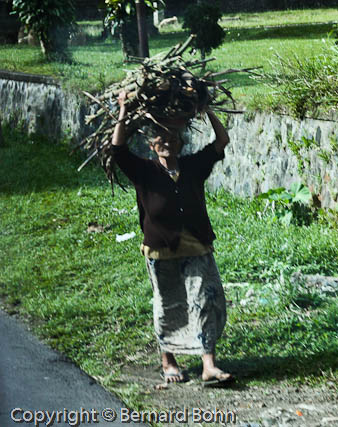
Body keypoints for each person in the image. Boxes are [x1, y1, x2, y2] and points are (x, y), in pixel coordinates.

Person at [111, 90, 232, 385]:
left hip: (196, 245)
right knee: (169, 304)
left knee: (205, 299)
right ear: (153, 146)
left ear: (180, 144)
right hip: (160, 250)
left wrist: (207, 110)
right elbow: (118, 149)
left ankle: (209, 365)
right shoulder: (143, 170)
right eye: (160, 140)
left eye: (172, 140)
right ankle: (168, 361)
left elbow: (221, 141)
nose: (167, 143)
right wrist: (124, 111)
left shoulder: (193, 166)